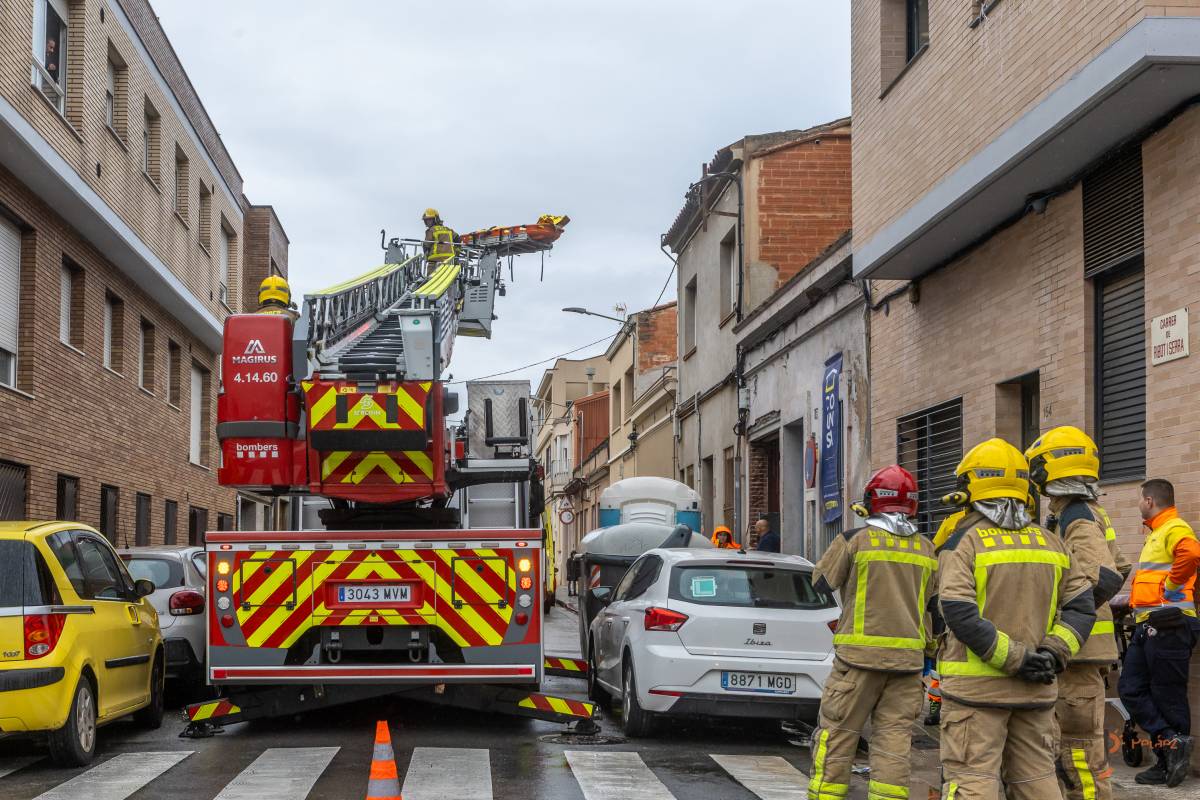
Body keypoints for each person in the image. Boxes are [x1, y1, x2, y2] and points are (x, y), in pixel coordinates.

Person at [937, 438, 1096, 800]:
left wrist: (1017, 659)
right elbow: (1082, 607)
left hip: (975, 696)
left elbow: (958, 613)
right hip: (1036, 693)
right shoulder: (1051, 542)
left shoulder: (964, 542)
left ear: (970, 487)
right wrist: (1052, 654)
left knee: (974, 784)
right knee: (1038, 785)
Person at [808, 466, 937, 800]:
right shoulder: (926, 548)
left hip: (857, 662)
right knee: (894, 744)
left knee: (837, 736)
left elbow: (820, 584)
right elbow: (935, 603)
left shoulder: (855, 540)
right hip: (907, 666)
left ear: (872, 500)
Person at [1025, 426, 1129, 799]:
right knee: (1076, 754)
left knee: (1078, 757)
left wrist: (1066, 620)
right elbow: (1121, 565)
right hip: (1084, 652)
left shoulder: (1076, 515)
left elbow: (1105, 576)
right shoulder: (1085, 511)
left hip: (1079, 653)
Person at [1117, 478, 1200, 787]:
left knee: (1169, 694)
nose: (1139, 504)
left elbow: (1191, 554)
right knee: (1130, 688)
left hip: (1169, 625)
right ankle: (1169, 741)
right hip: (1151, 624)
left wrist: (1172, 586)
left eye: (1141, 499)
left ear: (1150, 501)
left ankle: (1169, 764)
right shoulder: (1157, 533)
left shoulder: (1173, 527)